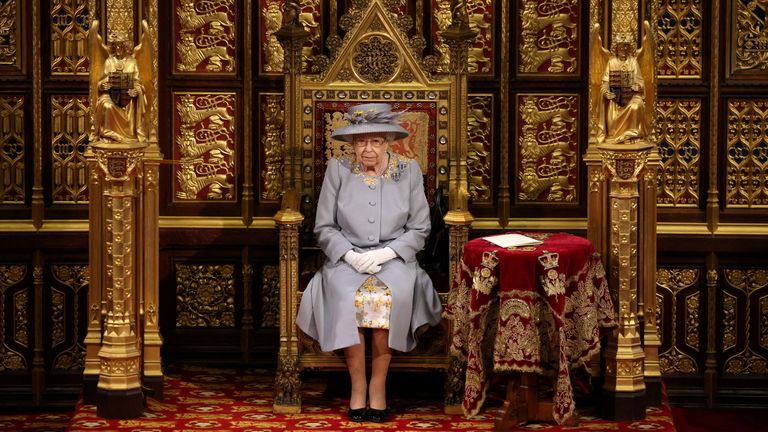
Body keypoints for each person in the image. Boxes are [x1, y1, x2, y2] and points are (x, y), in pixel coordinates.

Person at [296, 103, 442, 423]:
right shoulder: (339, 170)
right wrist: (350, 255)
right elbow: (324, 226)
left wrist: (386, 254)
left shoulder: (408, 171)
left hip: (396, 260)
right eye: (361, 142)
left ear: (388, 141)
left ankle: (378, 386)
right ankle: (357, 385)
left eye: (376, 141)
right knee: (348, 297)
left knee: (387, 298)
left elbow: (420, 229)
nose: (368, 149)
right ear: (352, 144)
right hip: (345, 260)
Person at [93, 35, 147, 143]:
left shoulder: (132, 62)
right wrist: (103, 86)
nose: (118, 48)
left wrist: (135, 91)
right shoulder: (109, 61)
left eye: (121, 45)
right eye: (116, 45)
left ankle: (129, 134)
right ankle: (108, 133)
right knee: (106, 105)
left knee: (130, 103)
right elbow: (100, 82)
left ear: (126, 47)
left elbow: (138, 82)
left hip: (127, 97)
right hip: (110, 96)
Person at [599, 39, 647, 144]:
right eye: (620, 46)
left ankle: (632, 135)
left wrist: (637, 86)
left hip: (632, 97)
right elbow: (605, 83)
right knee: (612, 118)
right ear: (616, 48)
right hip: (615, 98)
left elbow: (640, 82)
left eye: (625, 46)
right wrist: (606, 92)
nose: (623, 49)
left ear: (629, 48)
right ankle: (615, 135)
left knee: (636, 106)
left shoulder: (633, 62)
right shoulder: (611, 62)